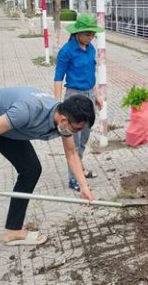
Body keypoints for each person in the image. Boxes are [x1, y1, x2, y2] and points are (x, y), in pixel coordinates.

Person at [0, 87, 95, 283]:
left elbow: (72, 154)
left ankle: (13, 231)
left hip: (4, 126)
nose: (75, 133)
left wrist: (84, 187)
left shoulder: (63, 120)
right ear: (64, 120)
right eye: (76, 129)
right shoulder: (27, 111)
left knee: (31, 169)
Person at [54, 13, 104, 191]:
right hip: (74, 97)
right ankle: (74, 179)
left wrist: (96, 95)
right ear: (78, 33)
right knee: (73, 142)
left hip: (89, 96)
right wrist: (58, 105)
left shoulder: (91, 49)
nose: (91, 37)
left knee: (84, 138)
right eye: (87, 34)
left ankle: (79, 169)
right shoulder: (67, 51)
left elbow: (92, 74)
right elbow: (58, 78)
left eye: (93, 34)